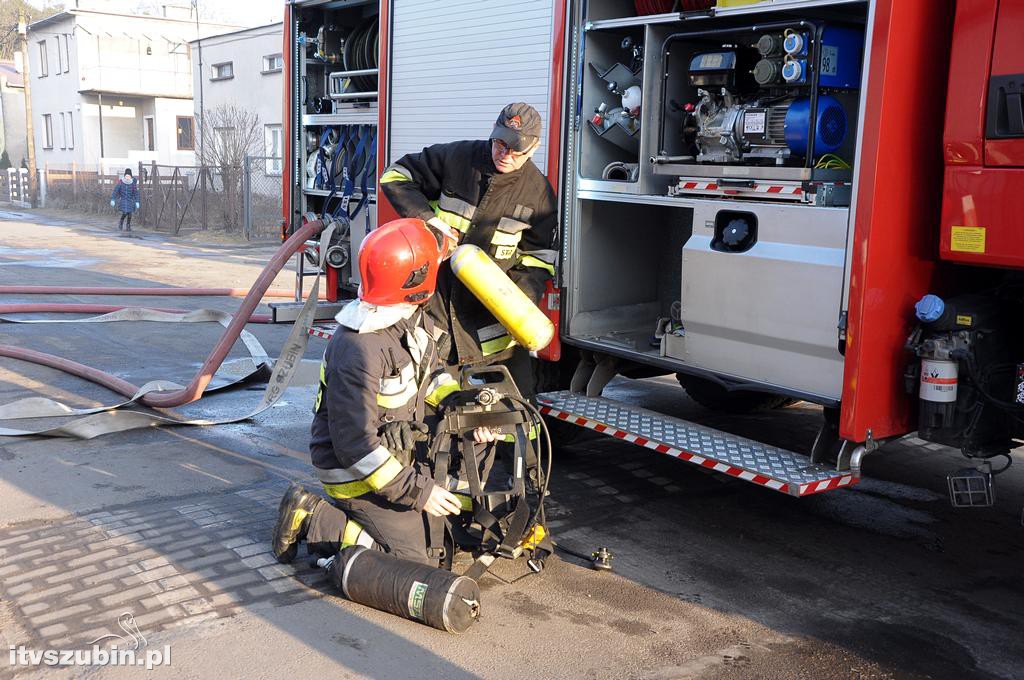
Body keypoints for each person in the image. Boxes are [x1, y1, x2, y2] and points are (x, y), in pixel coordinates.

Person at [272, 218, 497, 566]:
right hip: (355, 472)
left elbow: (432, 379)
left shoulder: (409, 319)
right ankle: (313, 517)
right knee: (415, 562)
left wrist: (467, 412)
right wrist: (419, 491)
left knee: (451, 527)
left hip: (397, 453)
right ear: (417, 279)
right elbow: (356, 448)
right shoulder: (359, 349)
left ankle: (427, 516)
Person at [379, 102, 559, 399]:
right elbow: (395, 177)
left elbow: (538, 260)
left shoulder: (538, 194)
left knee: (515, 416)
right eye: (500, 143)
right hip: (435, 312)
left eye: (516, 149)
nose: (505, 154)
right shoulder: (458, 158)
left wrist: (517, 305)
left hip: (491, 331)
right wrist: (429, 222)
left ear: (534, 147)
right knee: (433, 407)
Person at [110, 168, 140, 232]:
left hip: (130, 201)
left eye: (129, 176)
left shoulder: (133, 184)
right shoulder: (121, 183)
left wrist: (137, 201)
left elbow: (136, 193)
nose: (127, 177)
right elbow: (115, 191)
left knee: (130, 214)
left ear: (131, 176)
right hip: (123, 200)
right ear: (124, 176)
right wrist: (113, 199)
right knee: (125, 212)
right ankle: (121, 222)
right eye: (126, 176)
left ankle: (128, 225)